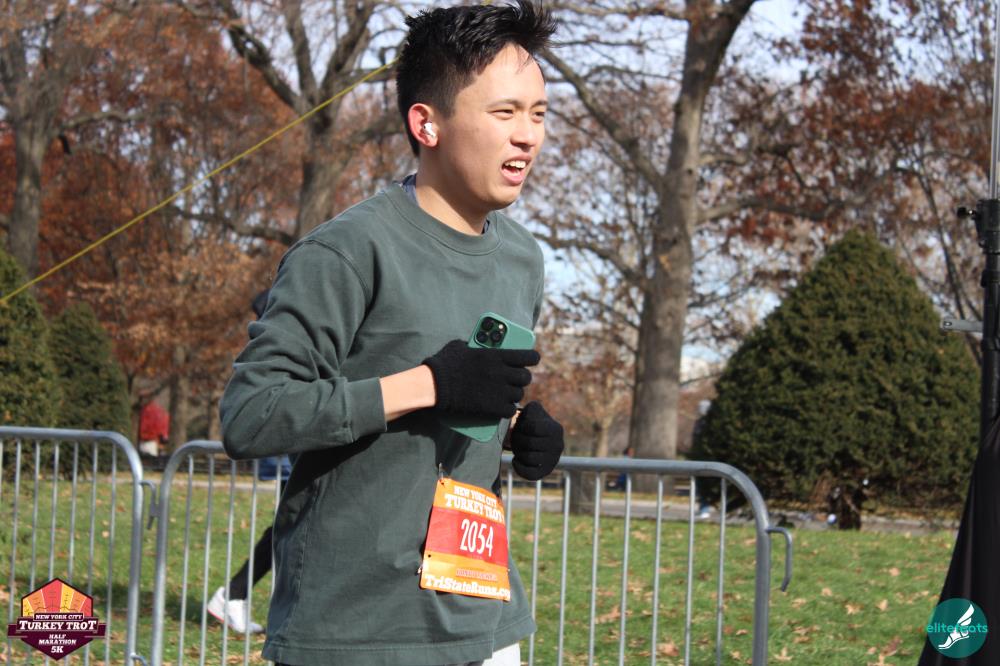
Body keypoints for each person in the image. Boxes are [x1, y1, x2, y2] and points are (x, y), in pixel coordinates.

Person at [219, 3, 563, 665]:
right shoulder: (347, 251)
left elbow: (465, 404)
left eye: (539, 114)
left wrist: (518, 430)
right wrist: (429, 384)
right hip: (357, 632)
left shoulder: (523, 258)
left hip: (485, 621)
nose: (528, 136)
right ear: (426, 124)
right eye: (504, 113)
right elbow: (251, 414)